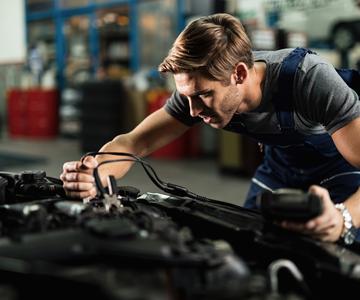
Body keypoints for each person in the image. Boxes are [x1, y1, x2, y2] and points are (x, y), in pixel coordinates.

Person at [61, 13, 360, 245]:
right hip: (279, 170)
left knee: (333, 251)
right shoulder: (198, 89)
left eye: (203, 96)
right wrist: (96, 172)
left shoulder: (308, 79)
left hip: (340, 168)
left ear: (239, 74)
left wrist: (343, 218)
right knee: (249, 242)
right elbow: (133, 143)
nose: (192, 111)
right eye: (187, 97)